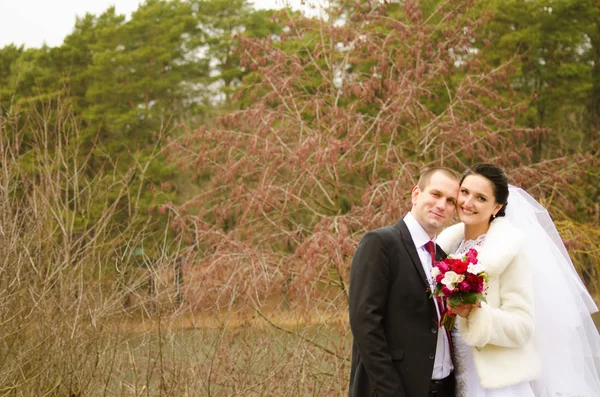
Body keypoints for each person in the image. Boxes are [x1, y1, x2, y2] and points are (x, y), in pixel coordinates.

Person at [436, 163, 600, 397]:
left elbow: (523, 326)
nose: (468, 203)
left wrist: (476, 313)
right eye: (465, 192)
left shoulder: (508, 252)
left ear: (497, 207)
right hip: (453, 376)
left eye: (480, 198)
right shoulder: (446, 248)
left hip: (496, 384)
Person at [348, 167, 460, 397]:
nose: (442, 205)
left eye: (450, 201)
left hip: (443, 387)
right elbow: (365, 324)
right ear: (416, 194)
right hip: (395, 389)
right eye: (435, 194)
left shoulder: (443, 258)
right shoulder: (381, 244)